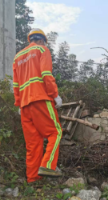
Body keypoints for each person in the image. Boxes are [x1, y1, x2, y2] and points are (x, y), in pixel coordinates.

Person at [13, 28, 63, 183]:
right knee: (55, 133)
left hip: (24, 105)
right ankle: (48, 166)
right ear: (42, 40)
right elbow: (46, 74)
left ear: (30, 39)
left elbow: (15, 84)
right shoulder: (42, 49)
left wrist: (19, 104)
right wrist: (55, 95)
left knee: (33, 144)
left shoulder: (17, 57)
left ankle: (32, 180)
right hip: (41, 99)